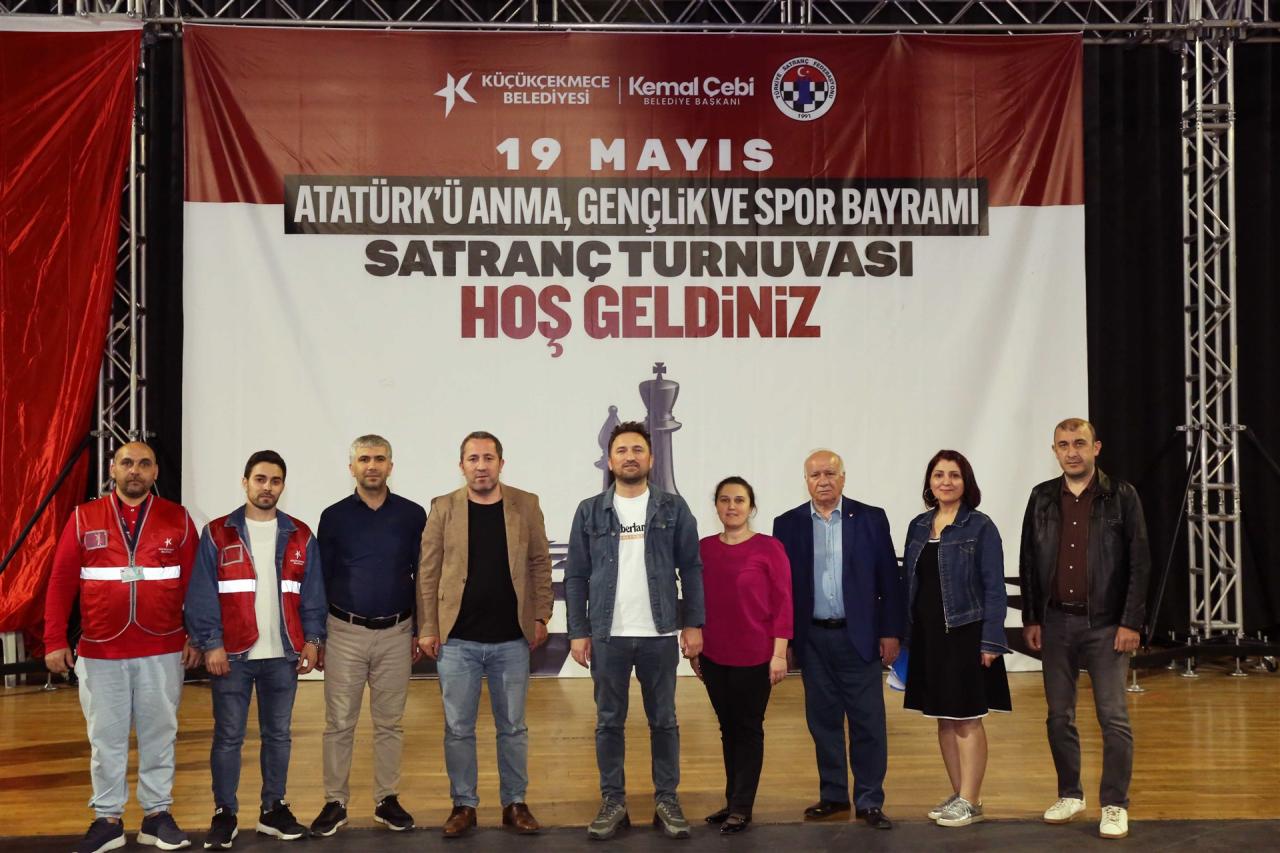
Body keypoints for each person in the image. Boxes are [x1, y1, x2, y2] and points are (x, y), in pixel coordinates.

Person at [43, 441, 202, 853]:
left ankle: (157, 816)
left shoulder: (178, 519)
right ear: (112, 469)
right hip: (101, 651)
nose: (135, 470)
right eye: (127, 463)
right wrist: (54, 639)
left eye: (144, 464)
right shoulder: (83, 517)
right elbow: (60, 581)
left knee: (160, 735)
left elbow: (195, 585)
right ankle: (108, 820)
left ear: (155, 472)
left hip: (162, 648)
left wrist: (197, 635)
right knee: (105, 740)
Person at [564, 420, 705, 841]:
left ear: (651, 458)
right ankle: (613, 802)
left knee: (664, 720)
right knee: (609, 722)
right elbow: (576, 575)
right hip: (608, 634)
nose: (630, 457)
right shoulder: (589, 510)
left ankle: (667, 800)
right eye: (622, 451)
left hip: (659, 634)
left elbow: (691, 568)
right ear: (610, 461)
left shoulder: (673, 508)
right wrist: (578, 630)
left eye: (637, 450)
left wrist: (693, 623)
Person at [186, 450, 327, 849]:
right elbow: (202, 595)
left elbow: (312, 595)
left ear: (283, 486)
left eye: (275, 481)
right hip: (232, 656)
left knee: (278, 736)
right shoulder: (218, 532)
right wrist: (211, 644)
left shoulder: (300, 534)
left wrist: (313, 641)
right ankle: (224, 814)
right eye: (260, 479)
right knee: (228, 737)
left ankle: (273, 810)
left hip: (283, 656)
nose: (268, 487)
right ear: (245, 482)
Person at [416, 431, 553, 837]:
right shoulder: (443, 508)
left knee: (513, 727)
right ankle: (464, 805)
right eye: (473, 459)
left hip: (512, 639)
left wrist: (541, 615)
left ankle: (515, 803)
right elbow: (428, 570)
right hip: (457, 641)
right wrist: (427, 626)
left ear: (501, 464)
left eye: (488, 458)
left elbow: (540, 562)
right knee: (458, 728)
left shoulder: (526, 504)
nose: (481, 466)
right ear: (461, 466)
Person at [1019, 418, 1150, 840]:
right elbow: (1028, 561)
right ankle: (1070, 794)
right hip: (1056, 623)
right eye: (1063, 445)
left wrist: (1131, 621)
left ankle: (1114, 804)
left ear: (1096, 448)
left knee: (1113, 718)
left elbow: (1139, 563)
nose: (1071, 451)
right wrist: (1032, 617)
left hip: (1107, 625)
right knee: (1059, 716)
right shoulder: (1041, 497)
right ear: (1054, 451)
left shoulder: (1122, 496)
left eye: (1079, 443)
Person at [772, 449, 905, 830]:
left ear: (843, 478)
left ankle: (869, 800)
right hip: (813, 639)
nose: (823, 481)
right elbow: (783, 590)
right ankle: (833, 796)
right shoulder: (788, 524)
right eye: (815, 475)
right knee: (823, 722)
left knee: (868, 722)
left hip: (859, 636)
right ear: (806, 481)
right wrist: (786, 643)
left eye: (830, 473)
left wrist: (891, 631)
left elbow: (889, 580)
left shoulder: (871, 518)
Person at [309, 435, 426, 838]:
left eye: (379, 459)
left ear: (391, 466)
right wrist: (319, 636)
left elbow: (423, 576)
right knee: (339, 723)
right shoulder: (334, 516)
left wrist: (420, 629)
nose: (371, 466)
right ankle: (335, 801)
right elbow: (320, 578)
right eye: (364, 459)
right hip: (344, 632)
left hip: (397, 632)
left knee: (390, 723)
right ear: (352, 468)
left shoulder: (412, 515)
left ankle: (386, 799)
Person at [901, 450, 1011, 828]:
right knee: (944, 720)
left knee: (966, 720)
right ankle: (959, 793)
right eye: (938, 475)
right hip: (929, 637)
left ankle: (972, 800)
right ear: (929, 482)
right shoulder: (918, 526)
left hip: (966, 635)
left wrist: (991, 641)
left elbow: (994, 588)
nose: (945, 481)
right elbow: (910, 585)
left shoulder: (980, 526)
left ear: (966, 482)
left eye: (954, 475)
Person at [694, 476, 792, 835]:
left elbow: (783, 602)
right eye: (724, 500)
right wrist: (696, 648)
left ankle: (742, 806)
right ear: (716, 507)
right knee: (728, 729)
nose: (731, 506)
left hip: (756, 656)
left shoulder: (769, 548)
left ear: (751, 507)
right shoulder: (703, 548)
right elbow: (695, 601)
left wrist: (779, 653)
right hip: (714, 655)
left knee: (748, 729)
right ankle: (732, 799)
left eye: (739, 500)